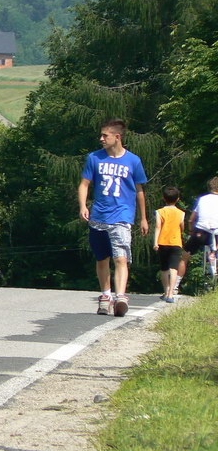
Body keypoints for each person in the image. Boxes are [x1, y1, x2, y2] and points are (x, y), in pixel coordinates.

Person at [78, 117, 148, 317]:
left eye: (105, 135)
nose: (101, 139)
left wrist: (143, 218)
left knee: (121, 258)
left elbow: (139, 190)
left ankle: (120, 297)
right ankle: (106, 295)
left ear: (117, 137)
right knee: (102, 258)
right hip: (99, 215)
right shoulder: (94, 158)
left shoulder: (133, 161)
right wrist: (83, 206)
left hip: (122, 216)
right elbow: (84, 184)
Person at [181, 176, 218, 290]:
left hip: (201, 231)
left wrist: (191, 231)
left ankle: (175, 285)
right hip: (216, 233)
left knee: (185, 255)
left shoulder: (202, 199)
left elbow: (191, 220)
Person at [153, 186, 184, 304]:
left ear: (164, 198)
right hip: (176, 242)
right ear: (178, 199)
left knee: (164, 268)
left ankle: (165, 292)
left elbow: (158, 227)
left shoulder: (160, 212)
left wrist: (155, 242)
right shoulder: (181, 213)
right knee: (174, 269)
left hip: (163, 242)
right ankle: (171, 293)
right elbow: (182, 228)